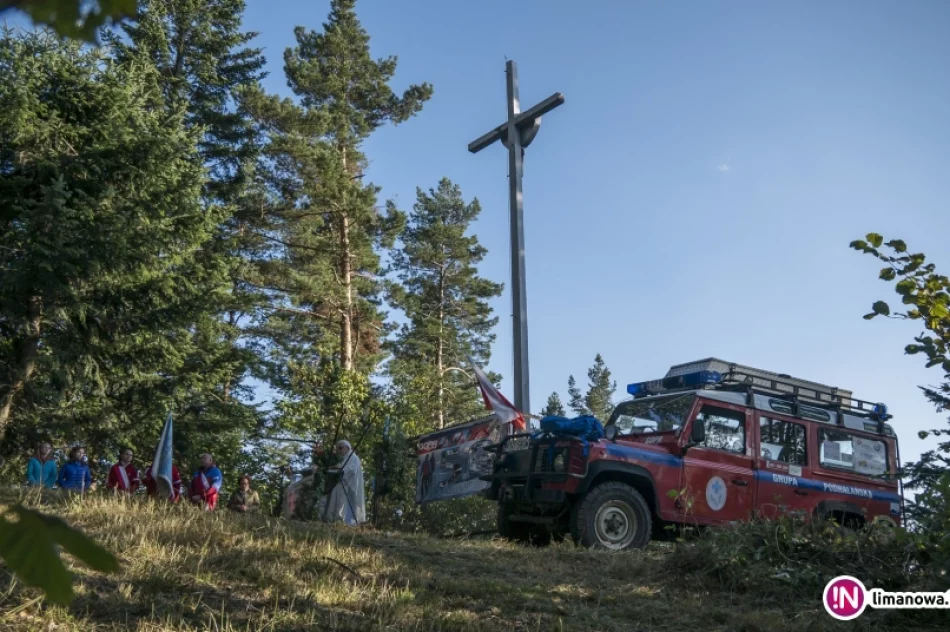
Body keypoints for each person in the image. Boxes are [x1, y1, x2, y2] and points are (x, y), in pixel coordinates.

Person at [322, 440, 366, 526]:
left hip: (348, 485)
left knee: (343, 503)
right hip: (338, 483)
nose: (339, 451)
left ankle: (342, 521)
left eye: (341, 448)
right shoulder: (341, 458)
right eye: (338, 449)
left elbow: (352, 470)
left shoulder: (353, 457)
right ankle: (331, 519)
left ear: (347, 448)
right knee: (333, 500)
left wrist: (341, 471)